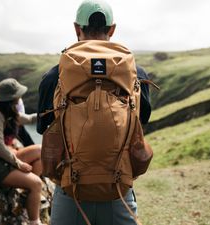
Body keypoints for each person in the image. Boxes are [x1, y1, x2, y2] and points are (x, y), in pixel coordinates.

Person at [37, 1, 151, 224]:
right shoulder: (136, 73)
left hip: (71, 193)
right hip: (118, 191)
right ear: (112, 29)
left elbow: (45, 128)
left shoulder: (55, 76)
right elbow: (141, 122)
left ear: (77, 28)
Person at [0, 78, 44, 225]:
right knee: (37, 184)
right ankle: (34, 221)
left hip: (6, 157)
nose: (20, 97)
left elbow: (27, 119)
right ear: (12, 98)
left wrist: (47, 114)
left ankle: (26, 191)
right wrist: (19, 164)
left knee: (41, 152)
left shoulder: (8, 111)